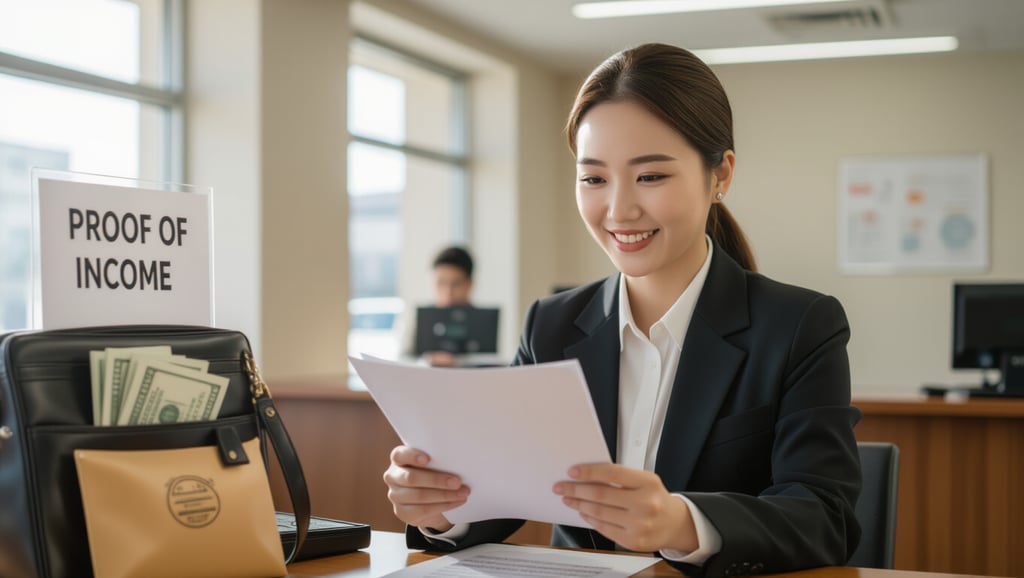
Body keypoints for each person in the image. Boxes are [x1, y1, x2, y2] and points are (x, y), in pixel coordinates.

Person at [383, 43, 861, 577]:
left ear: (720, 175)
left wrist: (681, 522)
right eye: (594, 178)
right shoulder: (551, 325)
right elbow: (504, 491)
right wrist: (443, 508)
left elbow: (825, 518)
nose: (619, 209)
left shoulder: (799, 326)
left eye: (651, 176)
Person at [400, 246, 475, 367]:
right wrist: (426, 361)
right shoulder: (418, 320)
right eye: (441, 283)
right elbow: (402, 361)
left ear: (469, 284)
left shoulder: (481, 322)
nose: (448, 292)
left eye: (456, 284)